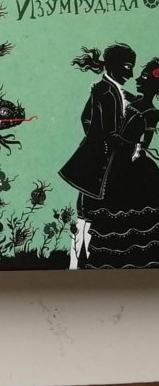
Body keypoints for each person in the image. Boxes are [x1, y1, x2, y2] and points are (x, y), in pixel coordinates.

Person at [59, 43, 136, 269]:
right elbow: (108, 131)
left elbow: (86, 118)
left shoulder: (110, 90)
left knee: (91, 214)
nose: (131, 74)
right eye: (127, 67)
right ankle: (79, 265)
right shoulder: (105, 91)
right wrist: (109, 143)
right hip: (99, 165)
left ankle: (83, 264)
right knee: (89, 215)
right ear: (113, 65)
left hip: (102, 163)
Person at [85, 59, 159, 268]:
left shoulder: (152, 112)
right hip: (115, 161)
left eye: (144, 77)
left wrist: (119, 143)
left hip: (132, 168)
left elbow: (142, 144)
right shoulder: (128, 99)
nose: (138, 79)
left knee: (132, 220)